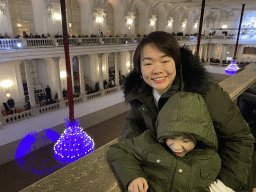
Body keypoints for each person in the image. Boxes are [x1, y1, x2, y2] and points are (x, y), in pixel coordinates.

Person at [119, 31, 255, 191]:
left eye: (165, 61)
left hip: (216, 176)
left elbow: (239, 138)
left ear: (176, 63)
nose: (156, 70)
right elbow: (132, 122)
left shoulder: (205, 92)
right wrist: (133, 160)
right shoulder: (143, 94)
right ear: (139, 69)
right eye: (148, 63)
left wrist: (226, 184)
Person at [109, 92, 222, 192]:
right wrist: (133, 177)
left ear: (199, 137)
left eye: (186, 140)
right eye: (171, 138)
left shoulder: (211, 160)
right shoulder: (149, 142)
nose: (176, 147)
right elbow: (120, 150)